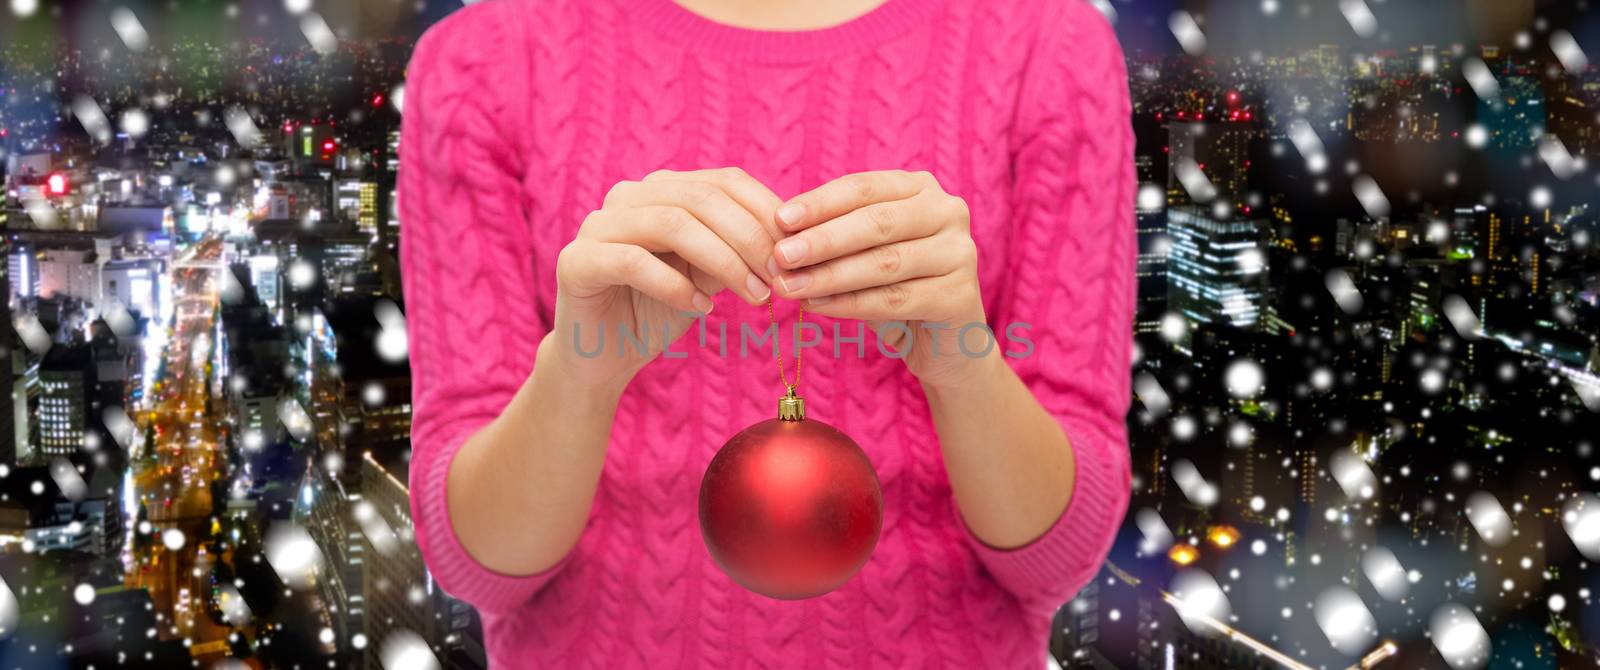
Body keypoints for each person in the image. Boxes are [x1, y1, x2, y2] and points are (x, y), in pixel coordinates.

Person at [398, 0, 1133, 665]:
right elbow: (477, 565)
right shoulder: (482, 61)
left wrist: (964, 366)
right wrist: (580, 373)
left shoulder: (1049, 46)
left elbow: (1056, 558)